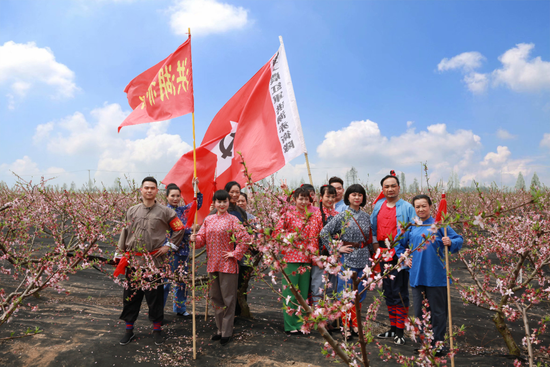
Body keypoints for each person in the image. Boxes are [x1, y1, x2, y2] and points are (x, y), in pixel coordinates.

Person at [115, 177, 186, 346]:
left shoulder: (166, 212)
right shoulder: (132, 211)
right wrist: (119, 252)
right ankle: (129, 330)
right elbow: (125, 232)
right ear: (141, 190)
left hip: (155, 262)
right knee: (131, 297)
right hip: (134, 261)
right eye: (146, 187)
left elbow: (179, 229)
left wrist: (169, 246)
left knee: (155, 298)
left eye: (152, 188)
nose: (149, 190)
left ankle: (157, 329)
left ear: (156, 191)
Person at [190, 190, 251, 345]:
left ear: (228, 203)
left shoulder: (233, 220)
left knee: (228, 299)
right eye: (219, 202)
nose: (222, 204)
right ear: (214, 203)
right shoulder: (208, 220)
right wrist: (194, 239)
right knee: (216, 299)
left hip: (228, 266)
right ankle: (219, 329)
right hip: (213, 265)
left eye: (224, 202)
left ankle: (227, 331)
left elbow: (245, 238)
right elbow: (201, 241)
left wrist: (235, 253)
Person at [409, 194, 463, 354]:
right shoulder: (412, 225)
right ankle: (424, 343)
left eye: (423, 206)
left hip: (436, 275)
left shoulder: (439, 224)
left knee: (438, 312)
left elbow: (458, 239)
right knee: (419, 312)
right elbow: (400, 244)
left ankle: (438, 344)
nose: (420, 209)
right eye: (417, 206)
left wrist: (451, 242)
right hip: (417, 275)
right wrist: (404, 258)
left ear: (430, 207)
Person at [320, 184, 372, 340]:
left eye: (360, 195)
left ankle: (356, 324)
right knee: (346, 294)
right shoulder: (342, 215)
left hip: (363, 257)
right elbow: (324, 233)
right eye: (353, 194)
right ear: (348, 197)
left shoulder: (366, 216)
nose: (357, 197)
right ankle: (345, 326)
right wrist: (336, 249)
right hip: (348, 258)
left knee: (359, 293)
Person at [371, 171, 416, 345]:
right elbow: (373, 229)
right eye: (386, 186)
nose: (390, 189)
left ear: (398, 187)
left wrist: (407, 254)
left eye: (393, 186)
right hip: (382, 252)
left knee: (400, 292)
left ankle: (400, 330)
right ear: (382, 189)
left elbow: (412, 232)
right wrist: (375, 247)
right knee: (388, 291)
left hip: (399, 252)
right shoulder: (379, 205)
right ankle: (392, 327)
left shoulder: (407, 207)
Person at [273, 187, 317, 335]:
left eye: (306, 199)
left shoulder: (312, 215)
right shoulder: (288, 214)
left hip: (307, 258)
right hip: (290, 257)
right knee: (291, 293)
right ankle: (291, 325)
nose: (304, 201)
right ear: (295, 199)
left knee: (303, 294)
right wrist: (291, 236)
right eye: (301, 198)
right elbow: (277, 233)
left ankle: (303, 324)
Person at [163, 178, 203, 318]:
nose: (175, 198)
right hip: (169, 251)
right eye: (172, 196)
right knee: (166, 282)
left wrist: (195, 187)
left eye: (178, 196)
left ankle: (180, 308)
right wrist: (189, 230)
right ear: (166, 196)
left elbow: (196, 203)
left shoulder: (183, 210)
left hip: (183, 251)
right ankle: (158, 310)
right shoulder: (164, 212)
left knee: (181, 282)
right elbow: (176, 229)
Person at [222, 181, 252, 317]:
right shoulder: (221, 209)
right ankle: (228, 314)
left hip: (240, 253)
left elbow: (246, 232)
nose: (235, 195)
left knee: (241, 284)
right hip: (225, 253)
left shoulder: (241, 212)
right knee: (227, 286)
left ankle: (239, 312)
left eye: (237, 192)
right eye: (232, 192)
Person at [308, 185, 339, 307]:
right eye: (327, 196)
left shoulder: (337, 214)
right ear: (321, 197)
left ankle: (328, 321)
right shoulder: (317, 215)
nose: (330, 199)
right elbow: (313, 238)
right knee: (318, 289)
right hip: (321, 258)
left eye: (333, 196)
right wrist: (317, 258)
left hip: (334, 258)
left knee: (331, 289)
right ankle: (319, 321)